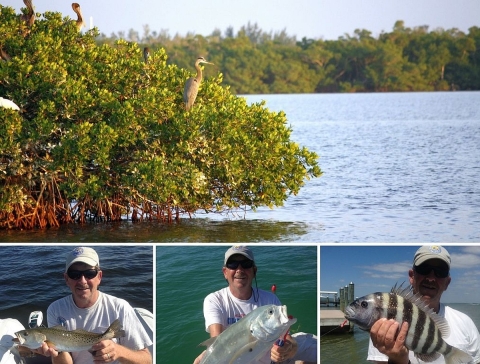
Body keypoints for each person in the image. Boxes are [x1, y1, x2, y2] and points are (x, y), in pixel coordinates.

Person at [194, 245, 318, 364]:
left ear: (254, 271)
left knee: (313, 347)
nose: (239, 270)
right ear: (225, 272)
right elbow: (217, 340)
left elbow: (288, 338)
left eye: (246, 264)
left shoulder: (270, 300)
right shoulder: (214, 300)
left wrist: (288, 349)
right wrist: (210, 356)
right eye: (233, 264)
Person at [35, 247, 152, 364]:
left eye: (89, 273)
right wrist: (57, 350)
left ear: (99, 277)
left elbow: (147, 360)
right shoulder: (55, 309)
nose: (82, 281)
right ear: (66, 279)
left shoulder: (120, 308)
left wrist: (118, 351)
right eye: (74, 274)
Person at [367, 245, 480, 364]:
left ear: (447, 282)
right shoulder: (384, 325)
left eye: (440, 272)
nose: (431, 278)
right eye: (424, 269)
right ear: (412, 276)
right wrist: (398, 360)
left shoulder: (465, 323)